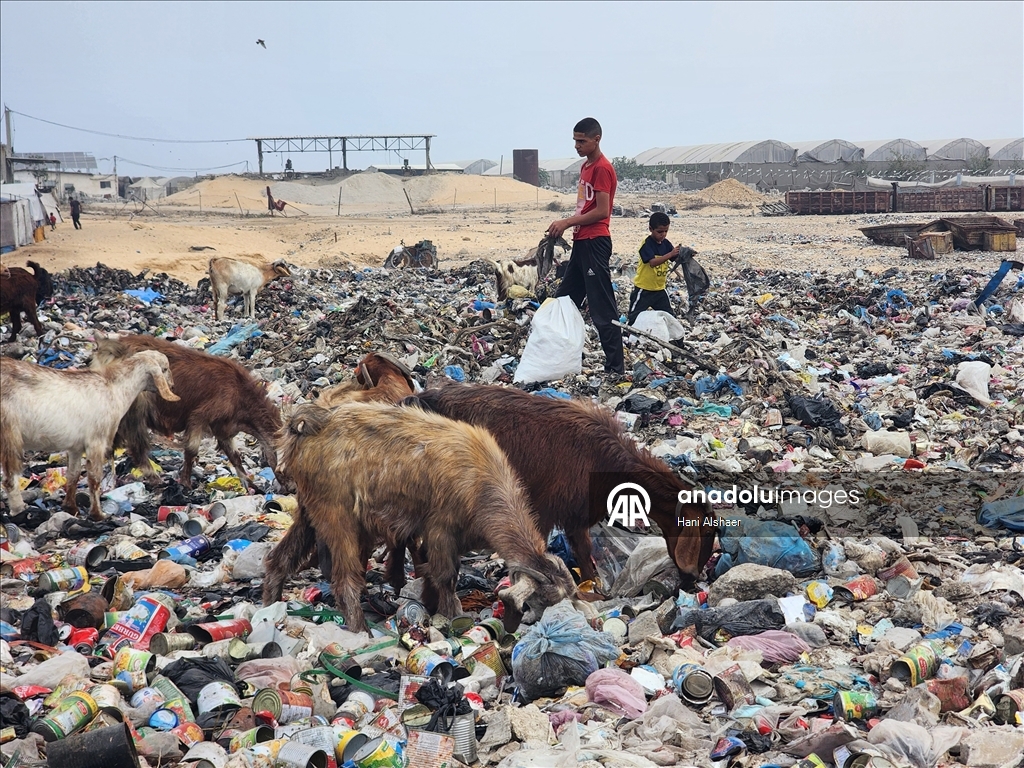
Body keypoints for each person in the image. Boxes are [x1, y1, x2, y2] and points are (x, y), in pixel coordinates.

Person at [546, 117, 623, 375]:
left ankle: (615, 368)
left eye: (582, 141)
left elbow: (602, 211)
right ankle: (558, 360)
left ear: (596, 139)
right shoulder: (585, 167)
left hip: (595, 241)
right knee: (563, 301)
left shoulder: (602, 168)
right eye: (575, 141)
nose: (577, 146)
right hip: (581, 242)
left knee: (602, 308)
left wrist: (567, 222)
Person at [628, 211, 680, 324]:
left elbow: (675, 259)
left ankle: (675, 340)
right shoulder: (646, 244)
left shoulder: (666, 244)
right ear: (651, 229)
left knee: (670, 319)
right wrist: (670, 254)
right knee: (633, 318)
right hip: (644, 289)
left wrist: (685, 254)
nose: (663, 234)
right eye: (660, 231)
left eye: (666, 231)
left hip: (659, 289)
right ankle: (629, 338)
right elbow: (652, 262)